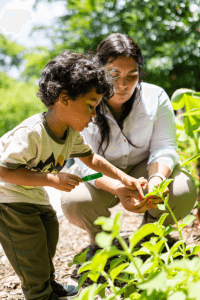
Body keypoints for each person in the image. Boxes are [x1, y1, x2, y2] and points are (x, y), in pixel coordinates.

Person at [0, 50, 147, 300]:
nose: (94, 116)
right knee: (30, 252)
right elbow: (3, 170)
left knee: (48, 238)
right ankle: (39, 293)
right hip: (11, 202)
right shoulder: (32, 133)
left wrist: (125, 179)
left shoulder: (70, 135)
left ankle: (49, 284)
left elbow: (93, 160)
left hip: (33, 197)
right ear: (64, 98)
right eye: (90, 106)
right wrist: (51, 180)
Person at [60, 33, 197, 259]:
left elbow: (165, 148)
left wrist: (156, 181)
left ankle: (152, 234)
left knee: (182, 187)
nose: (123, 85)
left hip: (144, 171)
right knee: (74, 199)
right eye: (114, 75)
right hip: (101, 177)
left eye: (132, 76)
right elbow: (86, 162)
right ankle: (101, 239)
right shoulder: (83, 101)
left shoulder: (156, 97)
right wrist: (118, 187)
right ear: (99, 72)